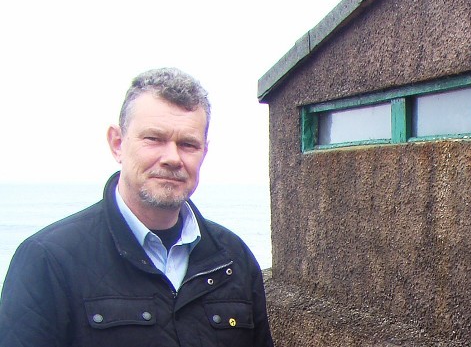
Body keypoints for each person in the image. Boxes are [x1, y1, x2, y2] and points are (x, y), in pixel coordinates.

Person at [0, 68, 274, 347]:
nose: (172, 158)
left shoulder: (232, 258)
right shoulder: (48, 260)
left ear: (204, 151)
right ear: (117, 143)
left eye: (188, 144)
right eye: (154, 139)